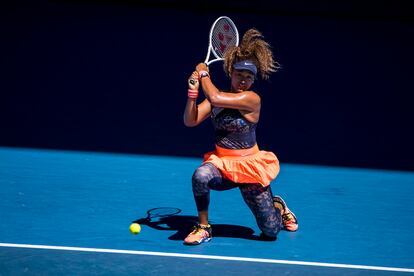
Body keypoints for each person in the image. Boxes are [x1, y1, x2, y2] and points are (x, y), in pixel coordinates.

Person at [183, 28, 298, 245]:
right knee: (200, 176)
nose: (243, 80)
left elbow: (215, 96)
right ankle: (204, 227)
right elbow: (191, 121)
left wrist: (203, 72)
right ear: (231, 74)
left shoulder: (252, 99)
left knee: (270, 232)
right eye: (239, 75)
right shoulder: (217, 100)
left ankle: (278, 206)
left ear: (253, 80)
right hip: (223, 165)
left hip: (249, 166)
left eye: (248, 77)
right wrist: (193, 93)